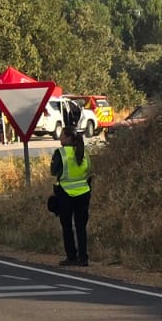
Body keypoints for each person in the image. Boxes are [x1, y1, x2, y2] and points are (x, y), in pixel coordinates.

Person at [50, 101, 93, 266]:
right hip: (84, 194)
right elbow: (90, 170)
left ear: (68, 137)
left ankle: (71, 256)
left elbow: (54, 172)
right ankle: (84, 258)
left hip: (66, 194)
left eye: (62, 135)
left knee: (67, 227)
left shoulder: (60, 152)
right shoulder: (84, 152)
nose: (60, 138)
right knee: (81, 228)